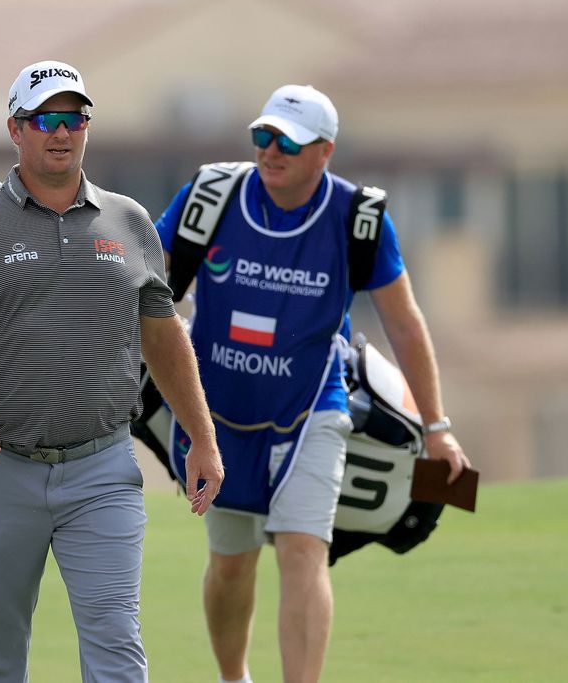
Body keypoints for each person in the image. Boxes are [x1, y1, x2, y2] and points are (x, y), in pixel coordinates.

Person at [0, 60, 225, 683]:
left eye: (74, 118)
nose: (62, 132)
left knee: (115, 644)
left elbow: (162, 334)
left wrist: (202, 437)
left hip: (101, 467)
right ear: (16, 129)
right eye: (46, 119)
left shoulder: (128, 221)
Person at [153, 84, 471, 683]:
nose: (270, 152)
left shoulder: (359, 219)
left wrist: (438, 428)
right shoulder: (211, 196)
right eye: (263, 137)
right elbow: (149, 285)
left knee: (303, 549)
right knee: (231, 563)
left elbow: (404, 323)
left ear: (324, 152)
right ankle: (233, 677)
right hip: (217, 413)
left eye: (288, 144)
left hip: (314, 408)